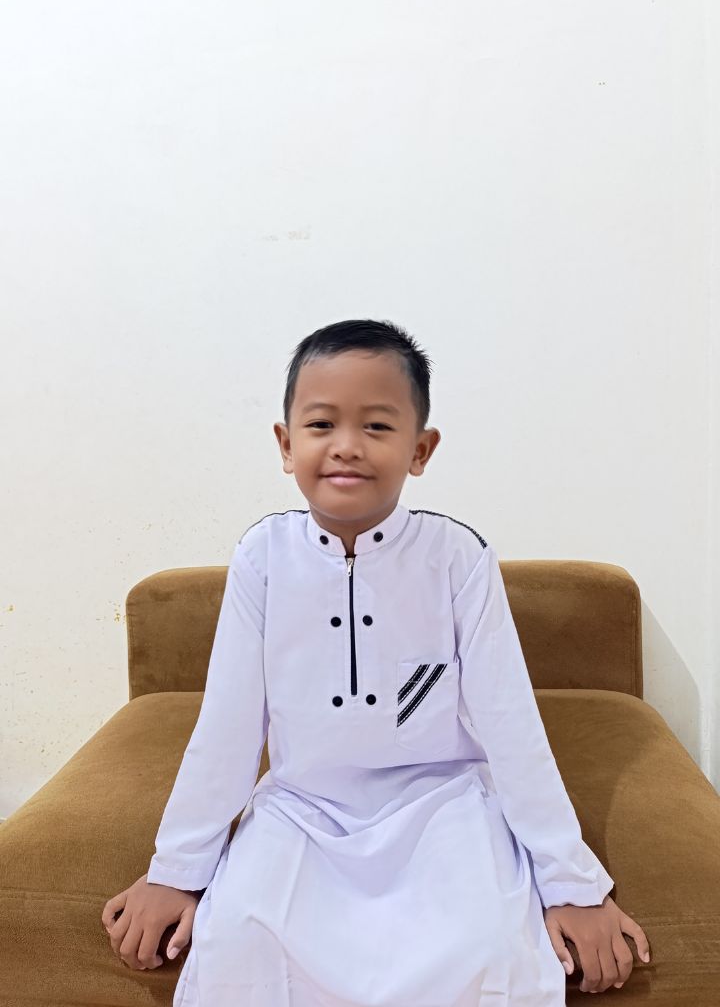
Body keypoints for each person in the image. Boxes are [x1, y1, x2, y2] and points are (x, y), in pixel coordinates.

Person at [101, 317, 651, 1005]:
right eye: (321, 424)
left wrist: (571, 883)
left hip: (442, 804)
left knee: (491, 948)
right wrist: (177, 870)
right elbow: (228, 725)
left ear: (420, 449)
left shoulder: (456, 558)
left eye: (377, 427)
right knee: (239, 937)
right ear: (285, 444)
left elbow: (510, 722)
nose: (347, 446)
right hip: (302, 808)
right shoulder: (263, 559)